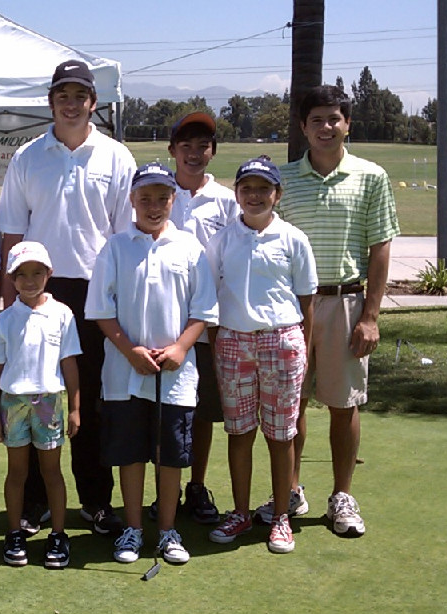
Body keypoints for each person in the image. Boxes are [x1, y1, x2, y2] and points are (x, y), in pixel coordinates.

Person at [0, 60, 135, 536]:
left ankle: (96, 502)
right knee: (37, 392)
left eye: (80, 95)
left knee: (89, 402)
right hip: (37, 290)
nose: (71, 103)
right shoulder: (28, 157)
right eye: (63, 95)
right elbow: (12, 235)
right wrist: (5, 304)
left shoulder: (117, 157)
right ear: (51, 101)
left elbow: (124, 238)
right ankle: (35, 502)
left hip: (97, 295)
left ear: (94, 102)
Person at [262, 85, 399, 537]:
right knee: (291, 403)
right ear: (303, 127)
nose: (326, 127)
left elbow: (380, 249)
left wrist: (371, 316)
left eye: (333, 119)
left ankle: (342, 495)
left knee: (344, 404)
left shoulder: (371, 176)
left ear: (347, 124)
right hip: (290, 307)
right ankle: (292, 490)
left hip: (346, 303)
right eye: (316, 120)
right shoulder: (282, 180)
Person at [84, 162, 218, 565]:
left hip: (176, 373)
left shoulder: (190, 247)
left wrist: (180, 347)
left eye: (162, 198)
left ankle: (167, 530)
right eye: (146, 198)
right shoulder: (115, 246)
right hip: (125, 372)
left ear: (173, 200)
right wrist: (130, 350)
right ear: (132, 200)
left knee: (170, 455)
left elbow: (204, 310)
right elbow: (100, 310)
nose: (154, 206)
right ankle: (133, 529)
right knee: (130, 454)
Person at [205, 157, 317, 554]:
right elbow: (212, 299)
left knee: (281, 433)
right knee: (239, 431)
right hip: (234, 341)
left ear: (277, 194)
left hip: (282, 341)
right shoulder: (221, 240)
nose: (255, 196)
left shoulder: (293, 238)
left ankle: (282, 515)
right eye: (247, 188)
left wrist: (306, 349)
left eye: (263, 189)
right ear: (236, 194)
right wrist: (222, 341)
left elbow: (307, 303)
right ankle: (239, 511)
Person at [154, 111, 240, 525]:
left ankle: (196, 486)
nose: (194, 154)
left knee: (203, 409)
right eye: (185, 146)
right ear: (172, 151)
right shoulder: (158, 195)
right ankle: (162, 490)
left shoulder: (226, 200)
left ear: (213, 151)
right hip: (160, 321)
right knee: (161, 408)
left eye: (202, 146)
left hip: (208, 322)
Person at [0, 241, 80, 569]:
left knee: (51, 471)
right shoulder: (4, 320)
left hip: (50, 402)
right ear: (11, 278)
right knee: (17, 472)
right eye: (22, 274)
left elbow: (69, 364)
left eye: (37, 273)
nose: (30, 281)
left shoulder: (62, 314)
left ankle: (58, 534)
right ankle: (14, 533)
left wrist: (74, 407)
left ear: (49, 274)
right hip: (13, 402)